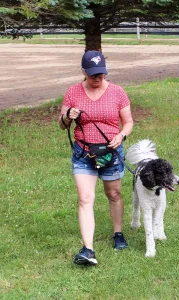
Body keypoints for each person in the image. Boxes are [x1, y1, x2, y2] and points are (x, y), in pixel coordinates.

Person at [58, 50, 134, 265]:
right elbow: (62, 125)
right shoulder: (72, 93)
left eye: (100, 74)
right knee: (85, 198)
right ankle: (87, 249)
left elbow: (128, 122)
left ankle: (118, 233)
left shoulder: (118, 92)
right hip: (84, 153)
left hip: (111, 151)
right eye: (92, 74)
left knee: (114, 193)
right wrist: (67, 116)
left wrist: (121, 135)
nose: (97, 78)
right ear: (83, 71)